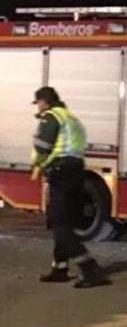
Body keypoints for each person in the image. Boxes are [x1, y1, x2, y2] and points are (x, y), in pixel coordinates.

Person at [31, 86, 111, 288]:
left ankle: (90, 269)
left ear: (44, 102)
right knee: (64, 221)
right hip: (76, 173)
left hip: (61, 172)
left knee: (59, 224)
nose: (38, 107)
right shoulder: (71, 118)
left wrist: (37, 164)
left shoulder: (50, 116)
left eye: (38, 103)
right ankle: (60, 268)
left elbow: (42, 146)